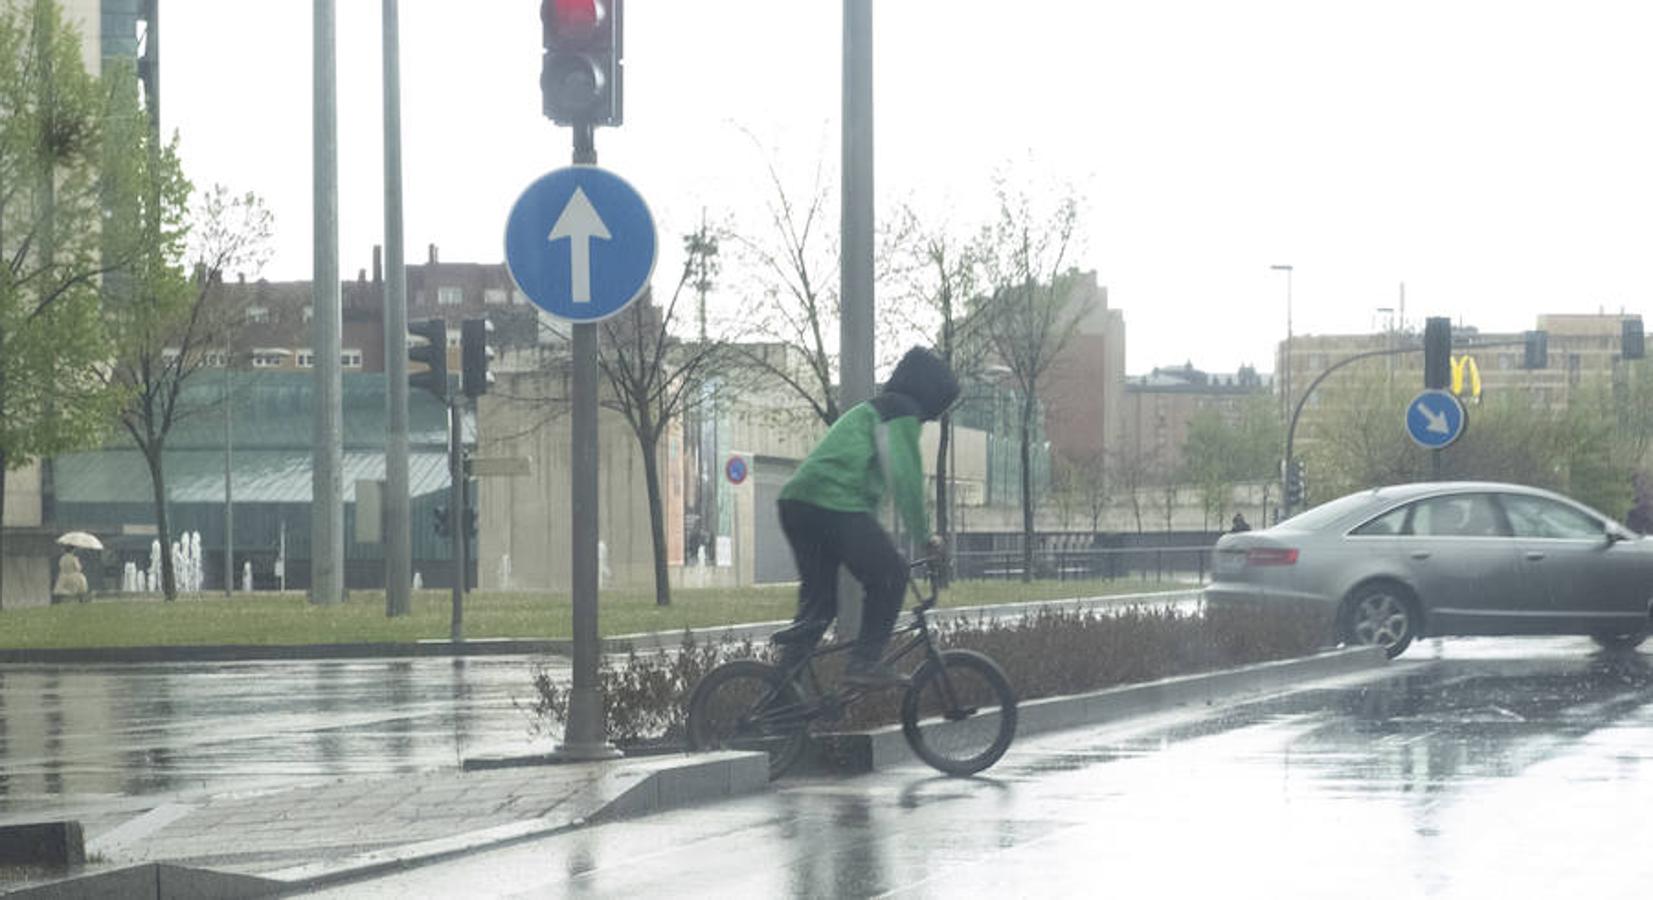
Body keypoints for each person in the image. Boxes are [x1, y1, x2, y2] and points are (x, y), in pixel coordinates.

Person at [770, 346, 959, 688]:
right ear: (933, 395)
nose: (931, 418)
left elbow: (869, 488)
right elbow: (906, 478)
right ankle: (865, 661)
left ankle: (779, 702)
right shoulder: (901, 411)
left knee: (819, 609)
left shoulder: (874, 409)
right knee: (891, 573)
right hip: (830, 503)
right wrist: (925, 536)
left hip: (799, 503)